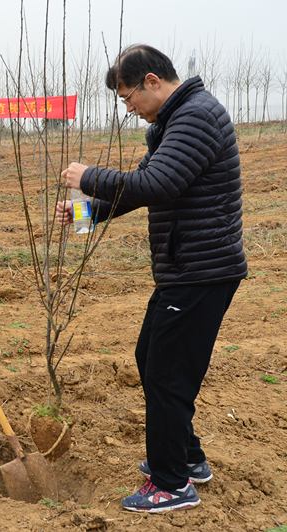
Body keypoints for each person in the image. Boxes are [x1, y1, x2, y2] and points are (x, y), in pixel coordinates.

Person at [57, 45, 247, 513]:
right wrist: (85, 214)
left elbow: (156, 185)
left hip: (201, 271)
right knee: (151, 358)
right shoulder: (174, 121)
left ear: (151, 82)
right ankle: (187, 457)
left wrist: (89, 177)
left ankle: (171, 483)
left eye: (127, 98)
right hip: (186, 268)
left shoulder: (196, 117)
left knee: (167, 374)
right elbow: (143, 189)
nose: (128, 108)